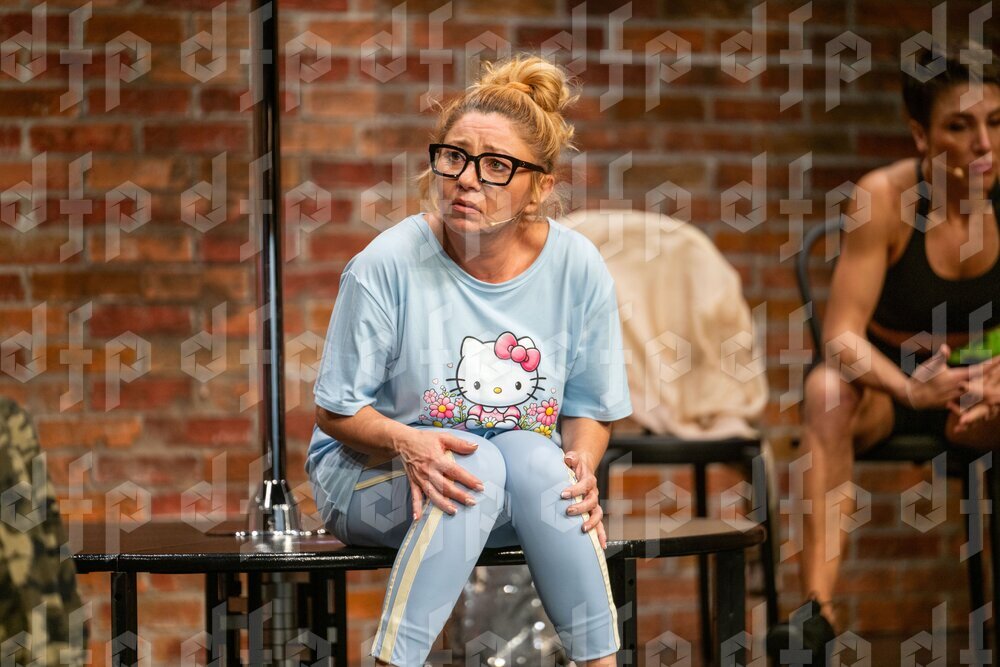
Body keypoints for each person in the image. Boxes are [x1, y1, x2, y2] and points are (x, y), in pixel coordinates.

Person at [307, 55, 631, 667]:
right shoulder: (386, 264)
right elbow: (336, 412)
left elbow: (590, 407)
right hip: (371, 477)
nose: (466, 179)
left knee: (541, 462)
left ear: (540, 187)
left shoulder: (577, 267)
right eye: (454, 157)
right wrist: (408, 441)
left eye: (496, 166)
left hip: (508, 485)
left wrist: (582, 469)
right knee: (474, 462)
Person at [770, 41, 1000, 663]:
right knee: (825, 391)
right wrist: (910, 390)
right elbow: (841, 336)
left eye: (996, 122)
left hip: (984, 384)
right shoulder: (885, 199)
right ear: (921, 135)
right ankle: (816, 612)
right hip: (890, 384)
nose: (983, 144)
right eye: (960, 126)